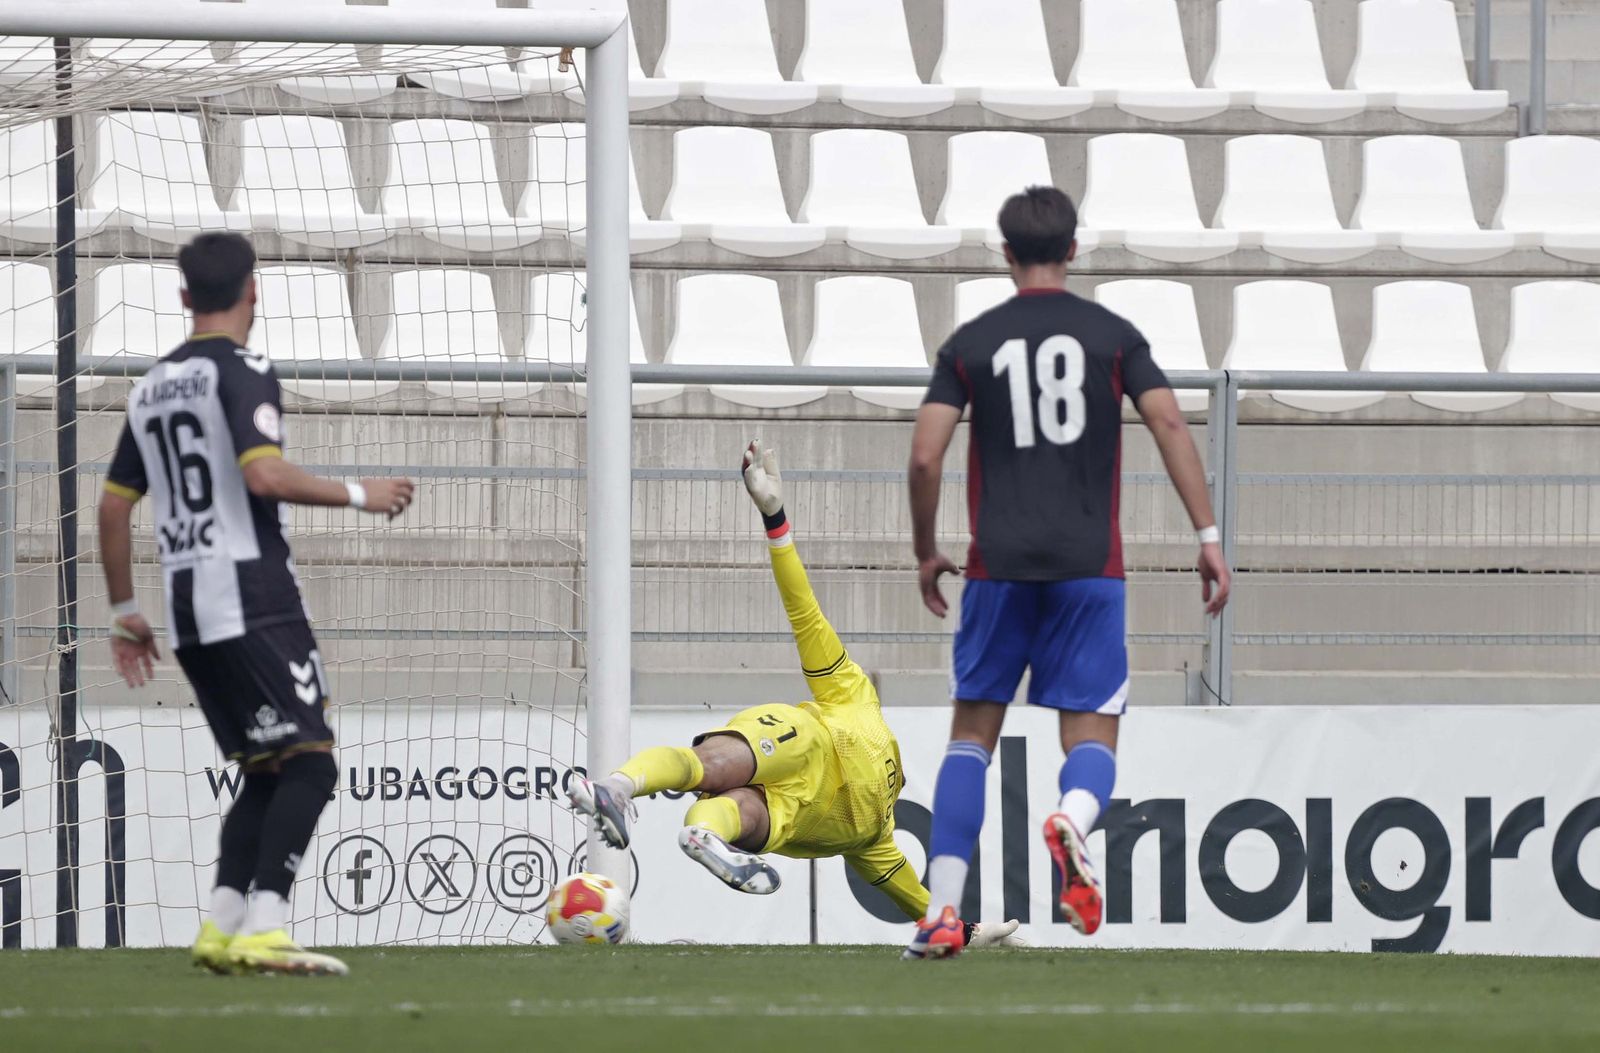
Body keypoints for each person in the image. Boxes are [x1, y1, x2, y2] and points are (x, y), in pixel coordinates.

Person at [903, 186, 1231, 959]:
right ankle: (1072, 820)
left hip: (997, 570)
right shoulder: (1113, 335)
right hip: (1091, 569)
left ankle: (942, 912)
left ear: (1006, 253)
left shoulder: (972, 343)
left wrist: (926, 546)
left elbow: (924, 453)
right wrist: (1208, 533)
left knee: (971, 740)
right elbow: (1170, 422)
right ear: (1074, 250)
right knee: (1091, 733)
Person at [97, 232, 415, 975]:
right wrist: (363, 494)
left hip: (185, 608)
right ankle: (270, 923)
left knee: (266, 771)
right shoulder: (243, 370)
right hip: (253, 596)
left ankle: (224, 925)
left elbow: (113, 510)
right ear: (254, 292)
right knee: (311, 767)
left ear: (183, 297)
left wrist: (122, 611)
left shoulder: (151, 385)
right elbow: (263, 475)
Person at [569, 441, 1020, 948]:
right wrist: (970, 932)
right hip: (802, 799)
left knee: (714, 770)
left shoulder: (858, 713)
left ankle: (625, 788)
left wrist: (776, 519)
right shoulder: (875, 835)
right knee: (745, 809)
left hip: (803, 751)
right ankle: (696, 831)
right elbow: (921, 905)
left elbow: (804, 610)